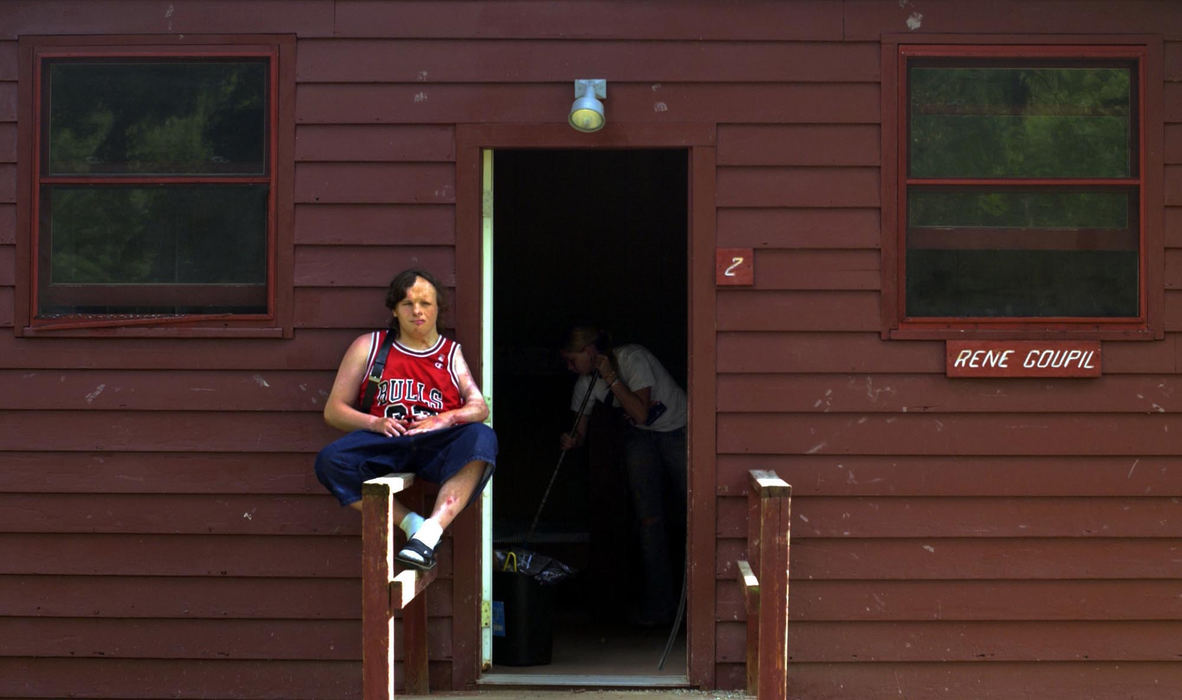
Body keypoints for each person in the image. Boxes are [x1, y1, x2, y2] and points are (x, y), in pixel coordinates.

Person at [315, 268, 497, 571]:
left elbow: (478, 407)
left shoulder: (450, 353)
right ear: (394, 310)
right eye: (407, 304)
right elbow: (333, 411)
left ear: (438, 308)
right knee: (330, 460)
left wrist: (445, 419)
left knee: (482, 437)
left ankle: (430, 533)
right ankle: (412, 524)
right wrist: (374, 423)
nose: (417, 311)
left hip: (435, 443)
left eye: (426, 303)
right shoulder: (369, 346)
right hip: (386, 439)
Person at [559, 325, 687, 626]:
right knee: (648, 521)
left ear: (591, 352)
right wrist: (571, 440)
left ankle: (692, 608)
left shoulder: (632, 358)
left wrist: (611, 377)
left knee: (690, 512)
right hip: (641, 437)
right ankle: (660, 609)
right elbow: (580, 431)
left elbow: (640, 412)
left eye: (572, 359)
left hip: (678, 431)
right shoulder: (584, 383)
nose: (569, 367)